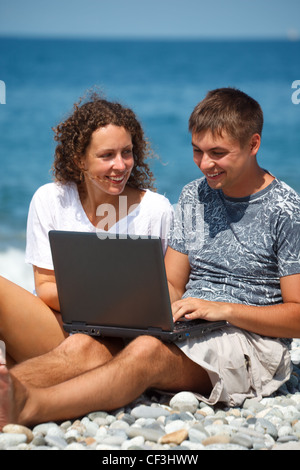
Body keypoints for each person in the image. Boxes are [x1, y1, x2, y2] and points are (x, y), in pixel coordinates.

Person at [1, 87, 300, 429]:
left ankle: (29, 407)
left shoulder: (285, 210)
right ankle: (12, 390)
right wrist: (150, 308)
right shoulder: (194, 196)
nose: (205, 165)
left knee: (145, 351)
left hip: (250, 343)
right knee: (85, 343)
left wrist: (224, 310)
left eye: (218, 153)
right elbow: (172, 282)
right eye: (197, 152)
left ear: (253, 145)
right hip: (192, 324)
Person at [0, 92, 174, 367]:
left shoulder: (157, 210)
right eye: (107, 155)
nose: (120, 165)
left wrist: (98, 301)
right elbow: (44, 287)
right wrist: (109, 299)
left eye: (126, 152)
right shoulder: (50, 199)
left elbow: (166, 294)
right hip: (59, 327)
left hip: (126, 343)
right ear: (80, 160)